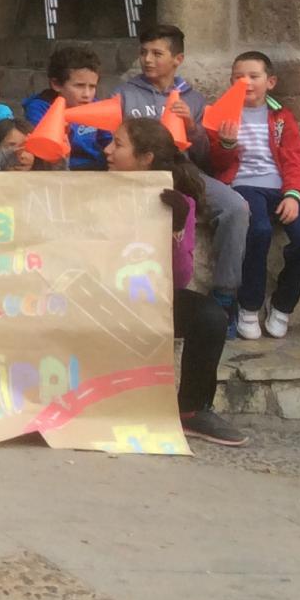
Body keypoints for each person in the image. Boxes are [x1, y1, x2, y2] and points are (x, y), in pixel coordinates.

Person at [106, 119, 246, 447]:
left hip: (145, 296)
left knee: (210, 318)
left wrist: (176, 229)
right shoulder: (94, 188)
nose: (107, 150)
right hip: (96, 294)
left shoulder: (178, 201)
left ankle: (192, 410)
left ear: (146, 158)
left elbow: (180, 279)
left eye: (118, 144)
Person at [108, 24, 250, 333]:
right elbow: (111, 143)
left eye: (157, 53)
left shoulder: (194, 99)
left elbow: (204, 157)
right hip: (139, 175)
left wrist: (193, 128)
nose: (148, 59)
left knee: (236, 207)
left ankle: (225, 295)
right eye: (144, 52)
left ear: (178, 59)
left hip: (184, 170)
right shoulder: (124, 94)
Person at [209, 51, 300, 342]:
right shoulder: (223, 114)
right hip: (243, 185)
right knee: (259, 231)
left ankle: (282, 305)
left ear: (270, 82)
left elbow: (294, 160)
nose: (245, 82)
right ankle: (249, 305)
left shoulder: (282, 117)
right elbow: (216, 163)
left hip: (279, 189)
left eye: (253, 76)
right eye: (238, 77)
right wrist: (226, 144)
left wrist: (292, 195)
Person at [22, 45, 110, 172]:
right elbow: (44, 151)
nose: (87, 94)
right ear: (56, 84)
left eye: (92, 87)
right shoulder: (39, 109)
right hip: (57, 170)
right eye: (79, 86)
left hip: (96, 169)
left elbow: (107, 141)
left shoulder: (95, 106)